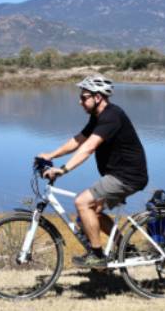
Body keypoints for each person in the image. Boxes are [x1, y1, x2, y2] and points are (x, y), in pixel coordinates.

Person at [39, 75, 148, 267]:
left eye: (84, 97)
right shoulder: (98, 117)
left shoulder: (111, 117)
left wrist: (63, 170)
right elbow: (79, 139)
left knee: (82, 202)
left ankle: (97, 256)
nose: (79, 101)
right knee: (92, 212)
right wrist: (51, 155)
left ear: (98, 97)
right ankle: (126, 249)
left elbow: (88, 148)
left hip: (127, 176)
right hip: (119, 174)